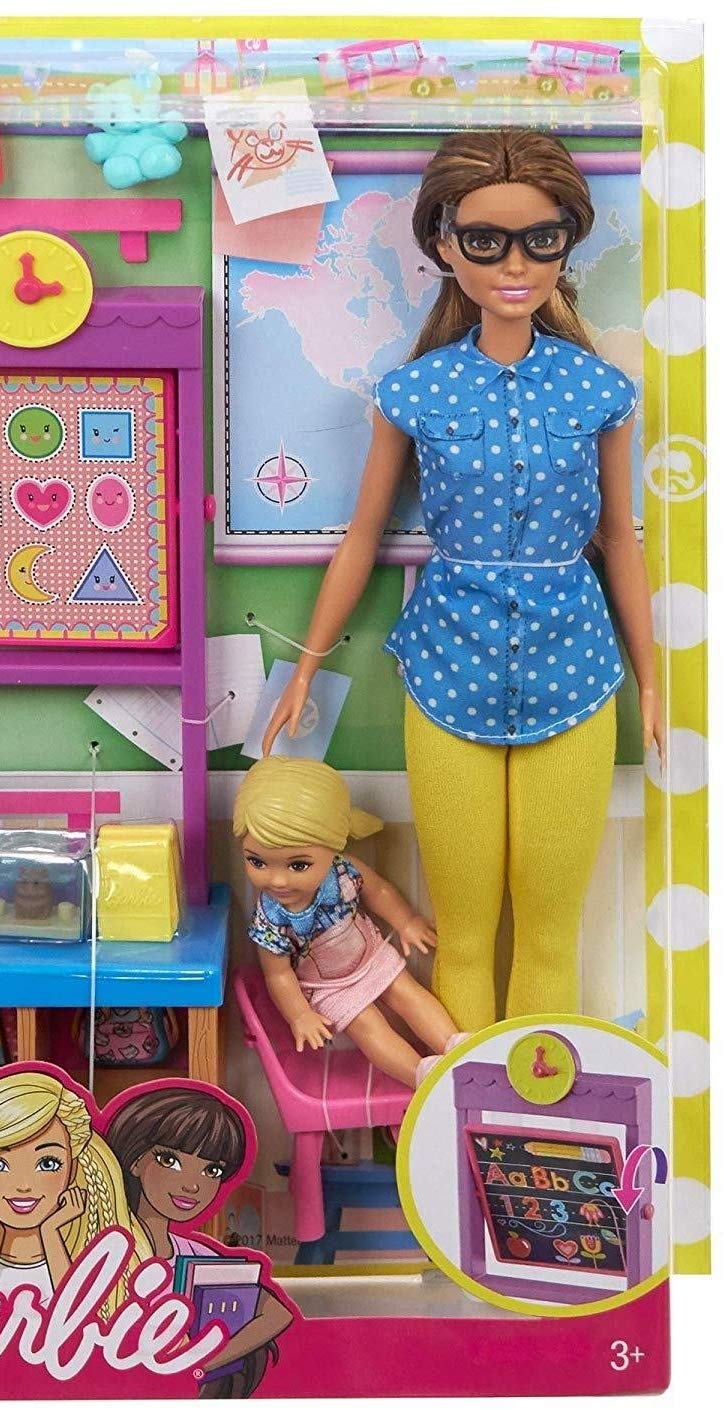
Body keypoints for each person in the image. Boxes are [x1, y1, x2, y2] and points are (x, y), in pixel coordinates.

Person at [263, 128, 661, 1031]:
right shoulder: (415, 392)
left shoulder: (598, 390)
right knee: (464, 932)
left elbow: (619, 540)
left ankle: (539, 1106)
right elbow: (363, 536)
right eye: (486, 241)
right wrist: (305, 665)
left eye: (540, 240)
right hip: (449, 666)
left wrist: (649, 678)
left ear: (566, 244)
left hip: (574, 666)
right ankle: (464, 1109)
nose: (515, 265)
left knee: (552, 931)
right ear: (445, 246)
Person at [234, 757, 463, 1085]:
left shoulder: (342, 870)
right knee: (367, 1024)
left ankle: (457, 1048)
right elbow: (279, 975)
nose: (278, 880)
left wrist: (406, 920)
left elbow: (378, 891)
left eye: (297, 865)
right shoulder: (270, 919)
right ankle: (423, 1076)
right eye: (257, 862)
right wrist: (300, 1015)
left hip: (370, 955)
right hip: (328, 988)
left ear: (333, 848)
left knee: (407, 992)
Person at [105, 1084, 293, 1397]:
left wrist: (197, 1365)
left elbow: (276, 1313)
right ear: (135, 1161)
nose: (193, 1185)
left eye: (212, 1170)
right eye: (169, 1160)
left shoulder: (198, 1256)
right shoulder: (104, 1249)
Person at [0, 1070, 150, 1311]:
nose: (23, 1185)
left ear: (72, 1169)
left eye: (48, 1163)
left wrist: (51, 1232)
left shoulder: (103, 1261)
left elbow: (79, 1319)